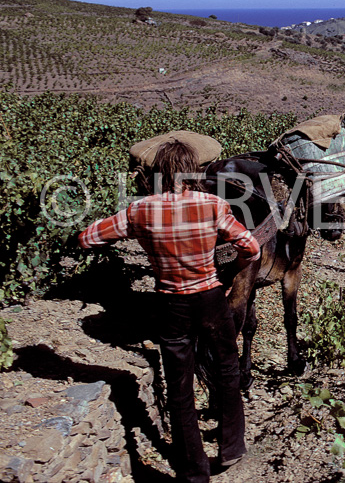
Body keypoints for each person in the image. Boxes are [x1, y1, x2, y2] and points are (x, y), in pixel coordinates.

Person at [75, 140, 260, 483]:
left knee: (179, 386)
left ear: (156, 172)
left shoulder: (139, 210)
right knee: (227, 370)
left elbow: (87, 238)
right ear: (194, 169)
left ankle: (194, 469)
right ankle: (232, 445)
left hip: (170, 303)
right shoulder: (213, 204)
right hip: (210, 298)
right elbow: (249, 246)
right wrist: (237, 275)